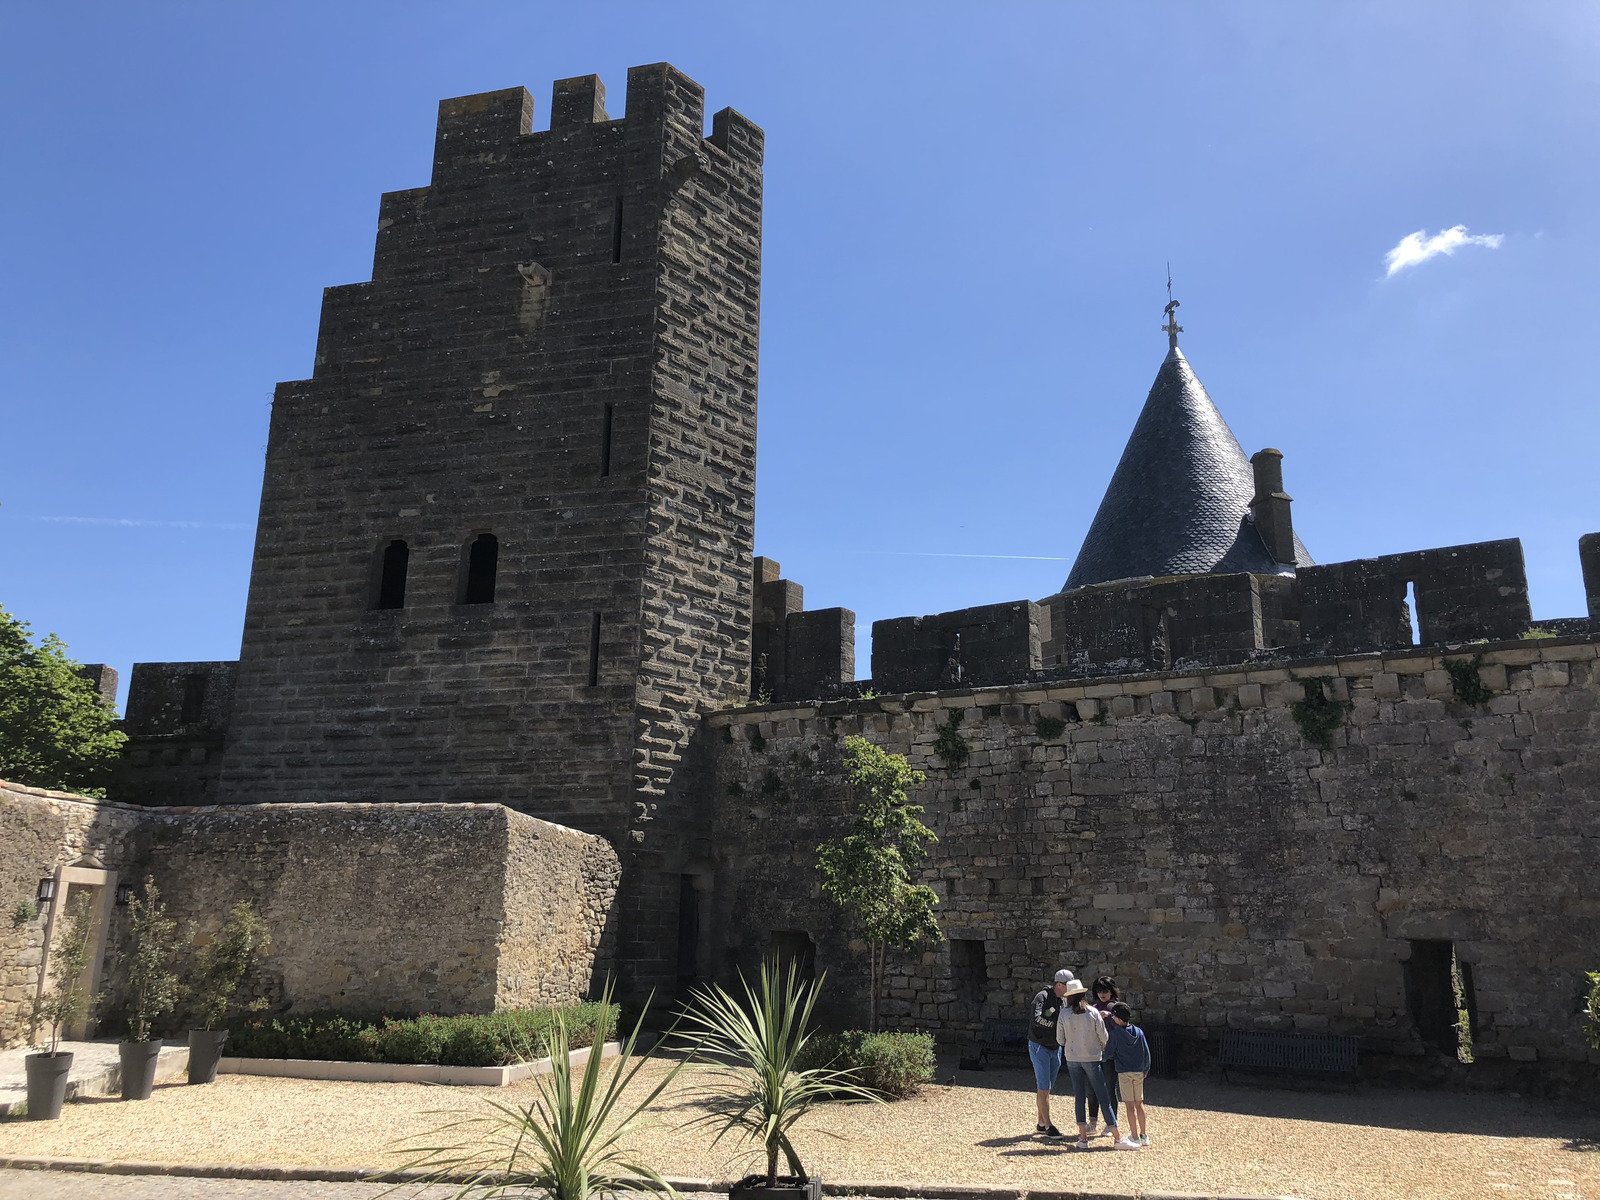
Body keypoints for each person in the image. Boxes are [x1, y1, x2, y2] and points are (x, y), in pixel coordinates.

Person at [1055, 975, 1127, 1150]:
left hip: (1073, 1058)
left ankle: (1083, 1138)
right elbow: (1104, 1036)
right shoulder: (1093, 1012)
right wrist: (1097, 1047)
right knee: (1104, 1095)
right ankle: (1117, 1138)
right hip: (1092, 1058)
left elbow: (1060, 1040)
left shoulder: (1064, 1014)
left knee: (1080, 1096)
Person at [1026, 968, 1076, 1137]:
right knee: (1043, 1087)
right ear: (1060, 985)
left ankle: (1041, 1122)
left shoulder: (1063, 1001)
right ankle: (1049, 1126)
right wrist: (1056, 1027)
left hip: (1056, 1047)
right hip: (1040, 1046)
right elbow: (1037, 1019)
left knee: (1046, 1088)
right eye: (1068, 986)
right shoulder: (1042, 997)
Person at [1105, 1002, 1152, 1148]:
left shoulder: (1115, 1035)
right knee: (1140, 1103)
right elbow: (1146, 1053)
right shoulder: (1139, 1032)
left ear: (1118, 1019)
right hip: (1139, 1071)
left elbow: (1108, 1053)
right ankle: (1144, 1135)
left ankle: (1135, 1136)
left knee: (1129, 1105)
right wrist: (1146, 1069)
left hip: (1124, 1072)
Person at [1085, 975, 1120, 1135]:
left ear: (1111, 991)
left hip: (1110, 1054)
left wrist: (1111, 1017)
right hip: (1094, 1053)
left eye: (1105, 990)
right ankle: (1093, 1121)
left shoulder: (1117, 1007)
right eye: (1099, 991)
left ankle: (1112, 1123)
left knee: (1109, 1089)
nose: (1102, 994)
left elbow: (1122, 1029)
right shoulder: (1093, 1008)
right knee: (1091, 1089)